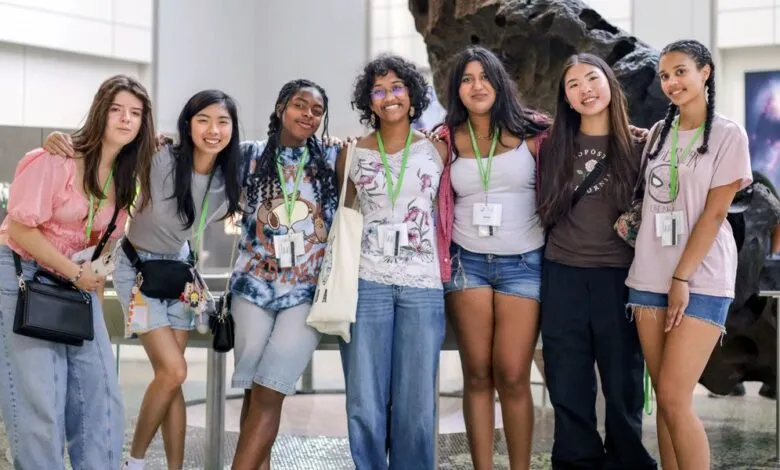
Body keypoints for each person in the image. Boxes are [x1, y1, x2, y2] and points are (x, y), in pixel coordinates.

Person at [44, 89, 244, 470]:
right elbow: (107, 148)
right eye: (203, 120)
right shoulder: (160, 156)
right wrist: (64, 140)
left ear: (233, 129)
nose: (213, 130)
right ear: (188, 124)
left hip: (181, 274)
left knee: (171, 379)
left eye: (223, 122)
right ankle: (133, 463)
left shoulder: (228, 176)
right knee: (175, 370)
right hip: (136, 269)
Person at [0, 74, 156, 469]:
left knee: (100, 396)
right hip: (24, 276)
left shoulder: (127, 178)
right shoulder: (56, 158)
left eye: (135, 113)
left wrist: (84, 274)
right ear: (100, 112)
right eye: (117, 110)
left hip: (78, 283)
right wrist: (74, 272)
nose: (125, 119)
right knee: (40, 402)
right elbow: (20, 227)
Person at [626, 39, 753, 470]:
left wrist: (682, 278)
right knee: (664, 399)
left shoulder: (728, 134)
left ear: (706, 72)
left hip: (700, 277)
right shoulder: (660, 133)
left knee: (678, 400)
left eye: (681, 71)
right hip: (647, 276)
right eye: (664, 75)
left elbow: (716, 213)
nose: (671, 82)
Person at [536, 53, 657, 470]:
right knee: (567, 379)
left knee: (623, 379)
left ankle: (627, 460)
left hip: (618, 277)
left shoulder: (641, 146)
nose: (585, 89)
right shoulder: (551, 145)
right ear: (566, 99)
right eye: (573, 85)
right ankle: (576, 459)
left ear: (610, 84)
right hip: (563, 274)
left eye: (592, 78)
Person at [434, 45, 550, 470]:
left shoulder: (536, 132)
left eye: (484, 77)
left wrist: (635, 133)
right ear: (457, 90)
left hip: (525, 265)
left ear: (499, 83)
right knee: (478, 374)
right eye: (466, 79)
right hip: (468, 264)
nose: (476, 86)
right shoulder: (446, 139)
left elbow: (586, 138)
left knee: (514, 374)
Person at [337, 54, 448, 470]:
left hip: (422, 286)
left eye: (397, 87)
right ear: (369, 100)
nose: (389, 97)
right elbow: (343, 220)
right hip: (367, 284)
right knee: (364, 398)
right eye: (379, 90)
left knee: (417, 402)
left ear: (412, 94)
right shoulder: (351, 155)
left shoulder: (437, 150)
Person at [230, 79, 339, 470]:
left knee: (270, 387)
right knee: (253, 389)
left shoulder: (331, 157)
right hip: (252, 286)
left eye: (317, 110)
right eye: (300, 105)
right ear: (281, 108)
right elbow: (194, 156)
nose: (308, 114)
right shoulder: (247, 156)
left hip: (305, 292)